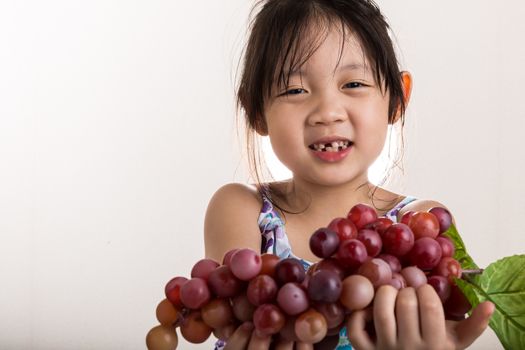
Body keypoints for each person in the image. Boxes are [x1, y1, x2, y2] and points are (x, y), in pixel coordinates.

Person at [204, 0, 494, 349]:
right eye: (295, 90)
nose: (327, 112)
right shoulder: (241, 210)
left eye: (354, 84)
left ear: (397, 99)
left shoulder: (419, 226)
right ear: (256, 112)